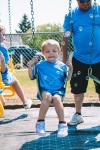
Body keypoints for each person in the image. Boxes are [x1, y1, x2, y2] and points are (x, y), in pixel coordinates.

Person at [62, 0, 100, 125]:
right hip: (79, 58)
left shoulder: (98, 10)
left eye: (87, 0)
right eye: (81, 1)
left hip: (99, 57)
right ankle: (78, 114)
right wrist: (64, 58)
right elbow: (66, 36)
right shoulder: (71, 15)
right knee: (78, 88)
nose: (85, 3)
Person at [28, 39, 72, 138]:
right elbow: (31, 77)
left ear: (59, 52)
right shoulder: (40, 65)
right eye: (47, 51)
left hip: (58, 91)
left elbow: (67, 79)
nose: (51, 53)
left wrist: (71, 69)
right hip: (45, 90)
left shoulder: (62, 66)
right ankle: (40, 123)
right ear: (43, 53)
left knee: (56, 98)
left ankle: (62, 124)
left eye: (54, 51)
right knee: (47, 96)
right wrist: (31, 65)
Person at [0, 25, 32, 109]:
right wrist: (2, 61)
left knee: (3, 103)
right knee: (14, 80)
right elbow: (3, 70)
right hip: (3, 77)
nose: (4, 38)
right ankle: (25, 101)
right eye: (3, 35)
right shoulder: (2, 48)